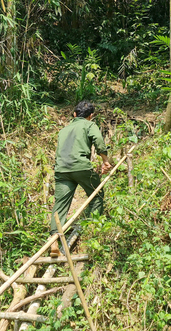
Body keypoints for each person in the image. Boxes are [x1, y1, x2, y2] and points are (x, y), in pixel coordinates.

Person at [49, 100, 113, 257]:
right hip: (81, 167)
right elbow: (98, 140)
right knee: (96, 195)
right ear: (91, 116)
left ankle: (53, 241)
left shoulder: (63, 130)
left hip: (62, 170)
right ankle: (92, 230)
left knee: (60, 205)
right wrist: (105, 161)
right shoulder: (89, 125)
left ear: (74, 114)